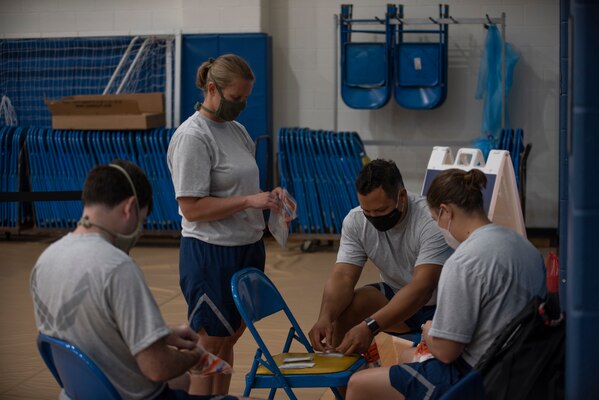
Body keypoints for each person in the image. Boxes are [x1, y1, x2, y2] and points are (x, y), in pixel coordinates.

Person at [30, 160, 252, 400]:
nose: (139, 230)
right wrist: (196, 357)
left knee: (183, 380)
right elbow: (157, 367)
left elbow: (90, 331)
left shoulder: (45, 260)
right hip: (134, 396)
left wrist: (161, 334)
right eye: (142, 221)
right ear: (130, 208)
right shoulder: (117, 267)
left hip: (78, 393)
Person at [345, 168, 547, 400]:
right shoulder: (525, 247)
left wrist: (429, 330)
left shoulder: (463, 261)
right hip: (526, 366)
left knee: (359, 384)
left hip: (478, 377)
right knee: (405, 356)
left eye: (434, 219)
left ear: (445, 212)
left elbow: (446, 352)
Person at [167, 54, 283, 396]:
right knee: (208, 346)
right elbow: (191, 208)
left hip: (246, 248)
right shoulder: (192, 137)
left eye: (246, 97)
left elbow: (243, 188)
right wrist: (250, 201)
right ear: (212, 89)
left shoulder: (238, 131)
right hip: (210, 253)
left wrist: (269, 196)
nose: (243, 105)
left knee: (230, 336)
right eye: (236, 98)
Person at [308, 159, 453, 356]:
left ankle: (374, 380)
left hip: (441, 306)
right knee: (340, 315)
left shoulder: (429, 220)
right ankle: (349, 382)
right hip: (397, 298)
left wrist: (370, 326)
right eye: (367, 211)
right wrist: (325, 316)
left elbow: (422, 289)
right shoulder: (356, 220)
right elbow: (343, 275)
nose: (374, 217)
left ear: (401, 196)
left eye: (381, 210)